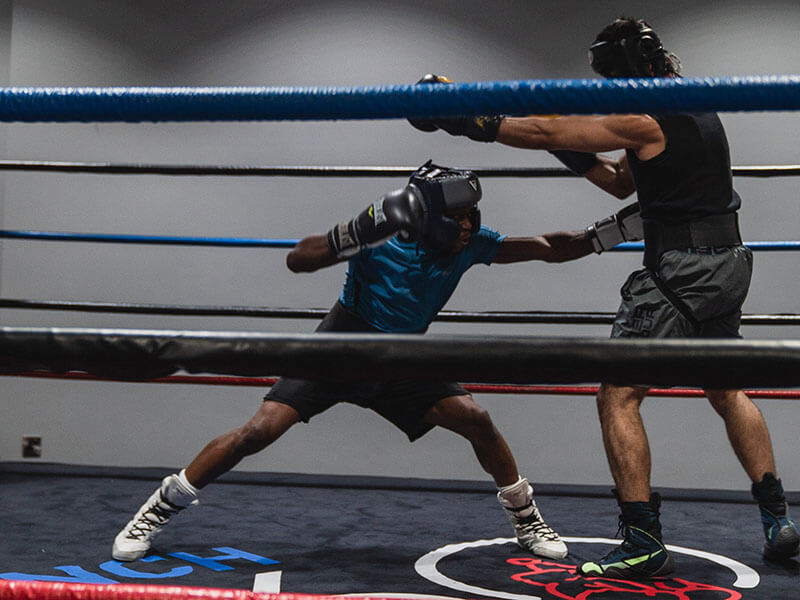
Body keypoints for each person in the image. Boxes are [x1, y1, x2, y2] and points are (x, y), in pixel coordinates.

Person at [409, 17, 799, 579]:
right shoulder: (696, 105)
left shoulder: (643, 115)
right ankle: (776, 520)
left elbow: (545, 130)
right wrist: (567, 151)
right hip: (729, 265)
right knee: (726, 386)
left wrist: (472, 119)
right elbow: (623, 182)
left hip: (681, 270)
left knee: (618, 392)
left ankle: (643, 538)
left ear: (618, 74)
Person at [111, 160, 639, 563]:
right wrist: (358, 229)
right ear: (425, 217)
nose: (467, 224)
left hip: (403, 356)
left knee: (478, 421)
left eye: (471, 214)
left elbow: (548, 245)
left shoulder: (470, 244)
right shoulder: (380, 239)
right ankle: (157, 509)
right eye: (456, 216)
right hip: (340, 346)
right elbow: (298, 259)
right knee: (257, 433)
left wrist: (612, 232)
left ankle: (527, 522)